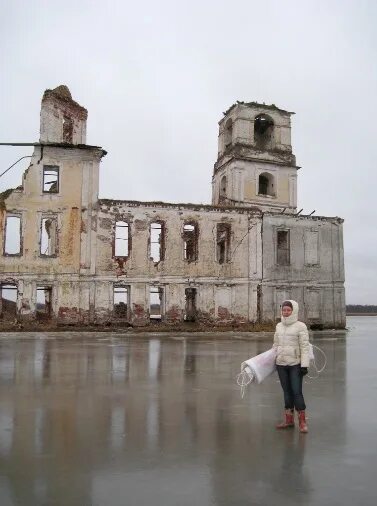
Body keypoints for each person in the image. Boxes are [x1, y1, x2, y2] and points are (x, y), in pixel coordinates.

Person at [273, 300, 310, 433]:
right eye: (284, 310)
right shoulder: (278, 326)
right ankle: (288, 421)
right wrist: (271, 360)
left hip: (295, 364)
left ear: (293, 310)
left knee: (296, 392)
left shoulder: (301, 326)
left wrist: (304, 365)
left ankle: (302, 422)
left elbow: (304, 347)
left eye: (288, 310)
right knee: (287, 392)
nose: (286, 312)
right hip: (281, 364)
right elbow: (275, 345)